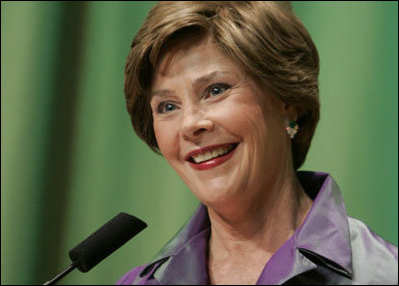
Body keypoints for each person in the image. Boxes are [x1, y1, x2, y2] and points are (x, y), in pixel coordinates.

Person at [117, 1, 398, 285]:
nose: (190, 124)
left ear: (288, 100)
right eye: (167, 107)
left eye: (216, 90)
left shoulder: (383, 274)